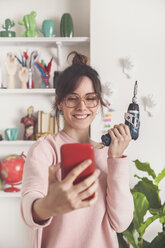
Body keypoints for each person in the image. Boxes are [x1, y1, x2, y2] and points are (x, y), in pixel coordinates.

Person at [21, 52, 134, 248]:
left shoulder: (109, 154)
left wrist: (115, 159)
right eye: (73, 98)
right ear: (59, 102)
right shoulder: (44, 150)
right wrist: (48, 206)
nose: (82, 106)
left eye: (90, 98)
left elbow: (121, 223)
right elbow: (28, 209)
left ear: (98, 102)